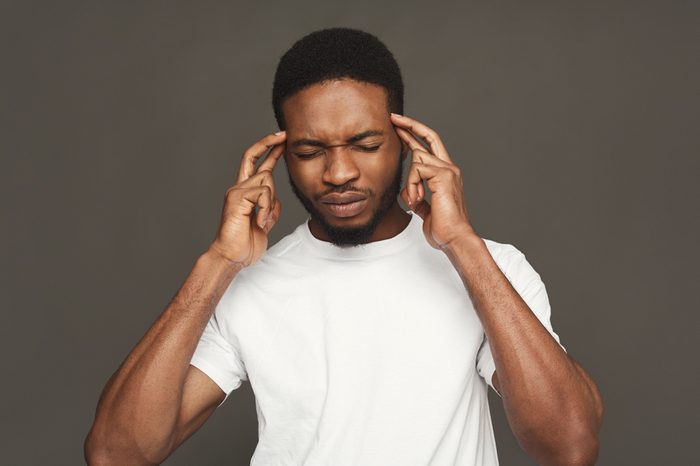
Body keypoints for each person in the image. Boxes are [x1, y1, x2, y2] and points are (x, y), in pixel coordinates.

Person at [84, 27, 603, 466]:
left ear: (407, 142)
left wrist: (461, 244)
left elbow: (569, 445)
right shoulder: (248, 283)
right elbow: (116, 454)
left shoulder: (491, 268)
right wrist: (217, 263)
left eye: (366, 145)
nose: (338, 173)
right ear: (280, 155)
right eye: (310, 151)